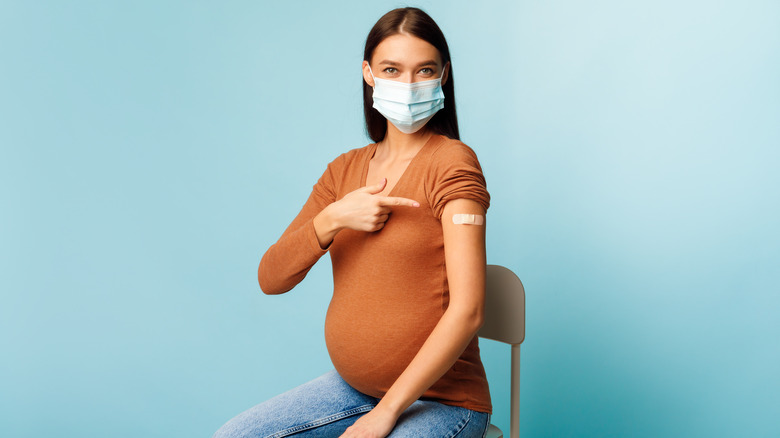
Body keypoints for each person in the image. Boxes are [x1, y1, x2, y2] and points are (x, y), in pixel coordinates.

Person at [214, 7, 492, 438]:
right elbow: (271, 278)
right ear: (368, 73)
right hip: (355, 390)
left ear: (443, 75)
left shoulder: (452, 164)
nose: (409, 84)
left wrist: (386, 413)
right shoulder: (342, 171)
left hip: (442, 401)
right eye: (391, 69)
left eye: (424, 70)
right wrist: (331, 219)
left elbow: (469, 310)